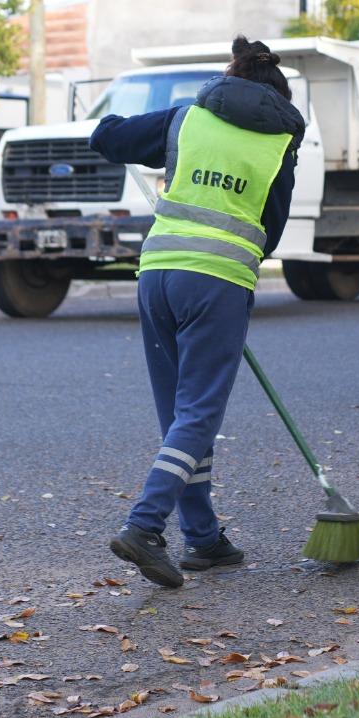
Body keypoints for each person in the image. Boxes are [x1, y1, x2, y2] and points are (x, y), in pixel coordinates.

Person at [88, 35, 305, 587]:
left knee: (179, 417)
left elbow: (106, 138)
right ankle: (144, 525)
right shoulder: (279, 145)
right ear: (278, 99)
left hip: (156, 275)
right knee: (198, 415)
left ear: (229, 82)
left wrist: (131, 131)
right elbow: (270, 232)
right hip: (217, 285)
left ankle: (204, 539)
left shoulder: (187, 118)